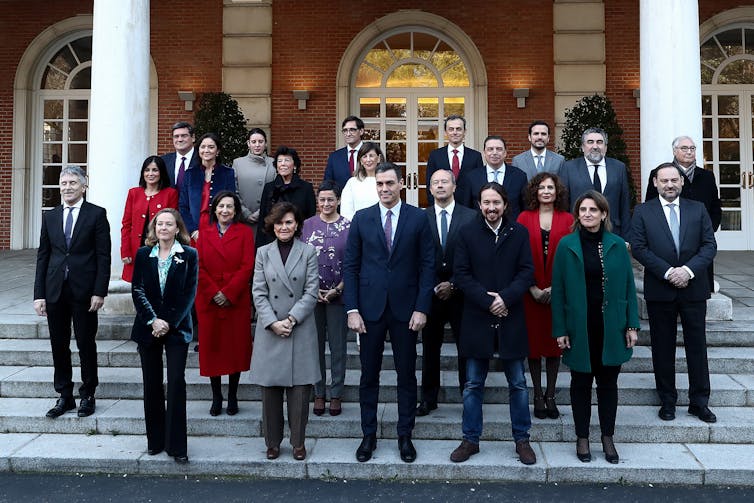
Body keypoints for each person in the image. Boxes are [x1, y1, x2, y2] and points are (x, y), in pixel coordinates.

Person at [343, 162, 435, 464]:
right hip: (368, 310)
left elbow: (427, 266)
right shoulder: (361, 218)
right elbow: (351, 266)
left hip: (406, 310)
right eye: (380, 184)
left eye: (389, 184)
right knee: (368, 376)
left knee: (406, 376)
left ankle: (404, 435)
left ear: (401, 185)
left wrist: (422, 307)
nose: (384, 189)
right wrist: (352, 309)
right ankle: (368, 435)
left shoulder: (419, 218)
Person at [449, 182, 536, 466]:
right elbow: (461, 275)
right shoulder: (467, 233)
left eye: (496, 202)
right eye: (486, 202)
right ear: (479, 204)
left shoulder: (519, 233)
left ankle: (522, 440)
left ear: (505, 204)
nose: (491, 208)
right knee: (473, 384)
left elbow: (526, 272)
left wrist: (506, 298)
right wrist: (488, 301)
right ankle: (470, 439)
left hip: (511, 317)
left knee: (518, 384)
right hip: (477, 317)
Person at [551, 190, 639, 464]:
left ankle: (607, 437)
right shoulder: (566, 245)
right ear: (577, 214)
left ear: (603, 214)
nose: (587, 214)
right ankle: (582, 438)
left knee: (608, 384)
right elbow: (560, 290)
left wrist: (632, 325)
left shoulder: (617, 245)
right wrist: (560, 329)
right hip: (580, 326)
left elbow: (628, 286)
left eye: (593, 209)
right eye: (583, 210)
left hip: (611, 325)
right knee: (580, 384)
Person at [630, 163, 718, 424]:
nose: (669, 185)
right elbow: (639, 248)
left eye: (674, 180)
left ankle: (699, 402)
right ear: (655, 183)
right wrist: (669, 272)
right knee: (662, 347)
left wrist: (687, 271)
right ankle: (667, 400)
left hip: (694, 288)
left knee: (697, 347)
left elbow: (709, 245)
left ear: (681, 182)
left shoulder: (698, 209)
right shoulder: (643, 211)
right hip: (661, 288)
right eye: (664, 180)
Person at [33, 165, 111, 419]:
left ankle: (88, 394)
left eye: (72, 183)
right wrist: (39, 294)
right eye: (63, 183)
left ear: (83, 186)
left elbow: (103, 256)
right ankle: (64, 395)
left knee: (86, 343)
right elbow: (43, 256)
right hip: (55, 290)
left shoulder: (97, 215)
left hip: (85, 291)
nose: (67, 188)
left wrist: (100, 291)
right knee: (59, 345)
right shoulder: (51, 216)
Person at [250, 202, 320, 461]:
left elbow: (312, 291)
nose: (284, 227)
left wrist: (291, 319)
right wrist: (272, 322)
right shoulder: (263, 253)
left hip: (299, 329)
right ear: (272, 225)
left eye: (289, 222)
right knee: (269, 392)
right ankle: (272, 442)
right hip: (270, 330)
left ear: (297, 225)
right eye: (279, 223)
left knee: (300, 392)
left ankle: (298, 442)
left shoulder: (309, 251)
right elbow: (258, 291)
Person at [130, 208, 197, 464]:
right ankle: (155, 442)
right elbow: (137, 289)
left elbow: (188, 294)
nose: (164, 228)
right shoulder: (143, 254)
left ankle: (177, 446)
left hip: (177, 329)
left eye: (169, 224)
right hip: (148, 328)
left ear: (177, 228)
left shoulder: (189, 255)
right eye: (160, 224)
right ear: (154, 229)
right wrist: (152, 320)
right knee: (152, 385)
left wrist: (167, 322)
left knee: (177, 385)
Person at [416, 168, 475, 417]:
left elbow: (475, 257)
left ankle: (468, 396)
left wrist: (453, 283)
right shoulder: (420, 218)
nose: (440, 186)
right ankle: (428, 398)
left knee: (466, 347)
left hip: (461, 292)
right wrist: (432, 286)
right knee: (430, 348)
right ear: (429, 189)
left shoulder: (471, 217)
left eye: (445, 182)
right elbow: (416, 258)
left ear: (454, 187)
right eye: (435, 183)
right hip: (430, 293)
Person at [517, 173, 573, 419]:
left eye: (551, 187)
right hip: (530, 294)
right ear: (534, 191)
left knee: (554, 346)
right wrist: (532, 288)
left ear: (557, 191)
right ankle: (537, 395)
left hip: (558, 295)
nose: (547, 191)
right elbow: (517, 257)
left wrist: (554, 289)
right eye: (542, 187)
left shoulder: (569, 218)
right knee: (533, 347)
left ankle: (551, 395)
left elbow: (572, 258)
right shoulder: (523, 218)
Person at [196, 191, 255, 416]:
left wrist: (228, 293)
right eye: (221, 206)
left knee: (234, 349)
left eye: (229, 207)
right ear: (215, 209)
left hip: (235, 299)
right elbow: (198, 265)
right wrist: (214, 291)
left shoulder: (244, 233)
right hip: (208, 299)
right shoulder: (204, 232)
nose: (225, 210)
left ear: (236, 210)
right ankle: (216, 396)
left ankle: (232, 395)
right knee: (213, 348)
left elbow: (247, 266)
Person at [644, 136, 722, 292]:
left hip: (698, 238)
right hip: (667, 239)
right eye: (684, 148)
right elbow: (650, 207)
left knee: (698, 286)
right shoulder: (660, 174)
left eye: (692, 148)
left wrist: (708, 230)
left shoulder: (707, 176)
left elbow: (715, 206)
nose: (689, 152)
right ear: (674, 151)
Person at [301, 180, 351, 417]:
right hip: (312, 297)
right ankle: (319, 392)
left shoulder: (349, 227)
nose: (326, 203)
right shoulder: (306, 226)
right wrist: (314, 290)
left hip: (339, 296)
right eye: (322, 199)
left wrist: (339, 288)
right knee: (315, 346)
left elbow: (353, 263)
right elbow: (300, 261)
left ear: (338, 200)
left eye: (330, 199)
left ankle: (337, 392)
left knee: (338, 347)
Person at [559, 127, 632, 239]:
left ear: (605, 147)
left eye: (599, 142)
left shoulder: (619, 167)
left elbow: (624, 204)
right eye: (590, 142)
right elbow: (563, 204)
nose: (595, 146)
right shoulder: (569, 168)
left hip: (613, 232)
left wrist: (626, 237)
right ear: (583, 147)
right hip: (579, 231)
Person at [120, 155, 179, 282]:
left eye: (155, 170)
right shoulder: (134, 193)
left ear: (161, 172)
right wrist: (125, 251)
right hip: (137, 251)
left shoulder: (170, 194)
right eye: (147, 170)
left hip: (161, 250)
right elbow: (126, 225)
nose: (150, 174)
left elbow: (173, 224)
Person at [179, 132, 237, 242]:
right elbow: (183, 205)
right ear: (198, 150)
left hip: (220, 226)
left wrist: (224, 229)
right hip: (195, 227)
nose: (206, 150)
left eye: (211, 147)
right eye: (203, 147)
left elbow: (232, 203)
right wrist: (193, 230)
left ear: (217, 151)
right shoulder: (190, 174)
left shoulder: (227, 173)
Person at [256, 145, 317, 248]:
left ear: (295, 165)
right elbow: (263, 219)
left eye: (287, 160)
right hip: (272, 242)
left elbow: (310, 218)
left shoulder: (306, 188)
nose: (283, 164)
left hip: (299, 241)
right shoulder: (269, 188)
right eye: (279, 161)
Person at [456, 135, 527, 219]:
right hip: (480, 228)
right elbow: (466, 208)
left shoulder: (519, 176)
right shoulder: (471, 177)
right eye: (490, 149)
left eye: (499, 149)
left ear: (505, 153)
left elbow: (525, 208)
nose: (494, 153)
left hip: (511, 229)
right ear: (484, 153)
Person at [425, 115, 484, 205]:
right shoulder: (435, 155)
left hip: (469, 209)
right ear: (446, 132)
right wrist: (433, 208)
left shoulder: (475, 156)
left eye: (458, 129)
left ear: (465, 131)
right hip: (442, 206)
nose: (455, 132)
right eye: (451, 129)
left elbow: (479, 185)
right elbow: (430, 184)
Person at [233, 128, 277, 225]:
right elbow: (234, 191)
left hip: (267, 219)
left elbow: (276, 192)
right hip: (243, 219)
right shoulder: (238, 163)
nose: (257, 145)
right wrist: (245, 213)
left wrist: (261, 212)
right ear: (248, 144)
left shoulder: (273, 163)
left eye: (260, 141)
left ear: (265, 144)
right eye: (253, 142)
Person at [340, 142, 383, 220]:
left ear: (379, 158)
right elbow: (346, 212)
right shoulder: (352, 183)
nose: (368, 160)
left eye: (371, 156)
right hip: (358, 227)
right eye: (364, 156)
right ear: (360, 160)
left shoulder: (385, 182)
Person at [324, 116, 365, 191]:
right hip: (342, 200)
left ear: (361, 131)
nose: (348, 134)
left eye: (352, 130)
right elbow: (328, 183)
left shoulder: (370, 152)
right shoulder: (334, 157)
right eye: (345, 130)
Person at [161, 121, 200, 191]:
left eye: (184, 136)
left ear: (193, 138)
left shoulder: (202, 160)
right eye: (176, 136)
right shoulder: (163, 161)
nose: (180, 140)